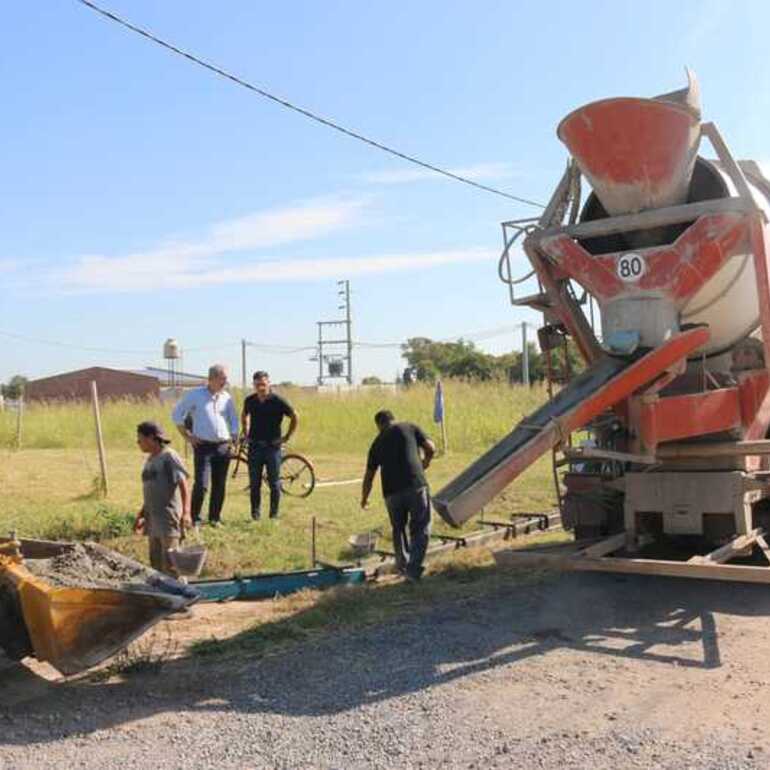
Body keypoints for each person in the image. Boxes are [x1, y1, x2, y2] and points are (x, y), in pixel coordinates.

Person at [361, 410, 435, 582]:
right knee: (420, 526)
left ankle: (402, 565)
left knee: (398, 529)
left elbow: (369, 475)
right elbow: (431, 448)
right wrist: (425, 462)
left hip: (391, 493)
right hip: (415, 485)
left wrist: (364, 498)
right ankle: (413, 570)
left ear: (379, 425)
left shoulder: (377, 443)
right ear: (393, 419)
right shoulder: (408, 427)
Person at [172, 364, 238, 528]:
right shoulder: (195, 395)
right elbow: (176, 414)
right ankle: (194, 518)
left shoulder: (226, 397)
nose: (225, 382)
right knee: (202, 484)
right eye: (222, 378)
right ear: (212, 378)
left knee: (219, 484)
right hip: (203, 447)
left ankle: (215, 517)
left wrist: (235, 436)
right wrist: (187, 436)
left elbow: (233, 418)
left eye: (225, 379)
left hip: (223, 446)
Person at [134, 421, 191, 576]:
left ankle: (180, 595)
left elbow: (183, 484)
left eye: (140, 439)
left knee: (172, 564)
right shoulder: (150, 459)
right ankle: (163, 597)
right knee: (156, 564)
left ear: (152, 438)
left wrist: (186, 512)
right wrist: (142, 514)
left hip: (168, 520)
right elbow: (151, 490)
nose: (138, 443)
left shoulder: (169, 456)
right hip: (153, 521)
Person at [241, 371, 298, 520]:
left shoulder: (278, 400)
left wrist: (286, 437)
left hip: (272, 447)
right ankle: (255, 515)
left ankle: (273, 516)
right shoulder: (250, 400)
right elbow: (244, 414)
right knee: (255, 484)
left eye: (263, 384)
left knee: (274, 483)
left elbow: (294, 416)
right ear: (254, 385)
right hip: (254, 447)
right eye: (258, 384)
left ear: (268, 383)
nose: (261, 387)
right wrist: (245, 432)